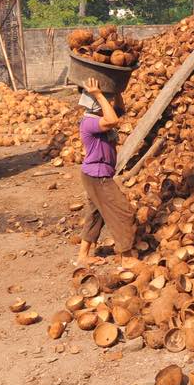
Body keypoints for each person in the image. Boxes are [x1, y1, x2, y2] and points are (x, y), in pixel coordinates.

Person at [76, 77, 137, 268]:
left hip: (95, 174)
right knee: (123, 212)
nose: (107, 103)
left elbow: (119, 111)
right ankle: (126, 256)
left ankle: (83, 256)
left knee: (95, 214)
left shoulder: (99, 116)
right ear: (94, 102)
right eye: (103, 101)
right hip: (98, 176)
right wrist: (99, 94)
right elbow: (113, 119)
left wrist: (116, 89)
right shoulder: (89, 122)